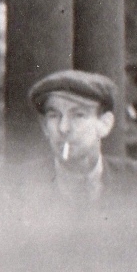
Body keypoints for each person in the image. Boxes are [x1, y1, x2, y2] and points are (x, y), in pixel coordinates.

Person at [29, 68, 120, 198]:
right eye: (54, 116)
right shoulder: (15, 187)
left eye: (78, 115)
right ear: (44, 126)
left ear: (105, 124)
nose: (63, 128)